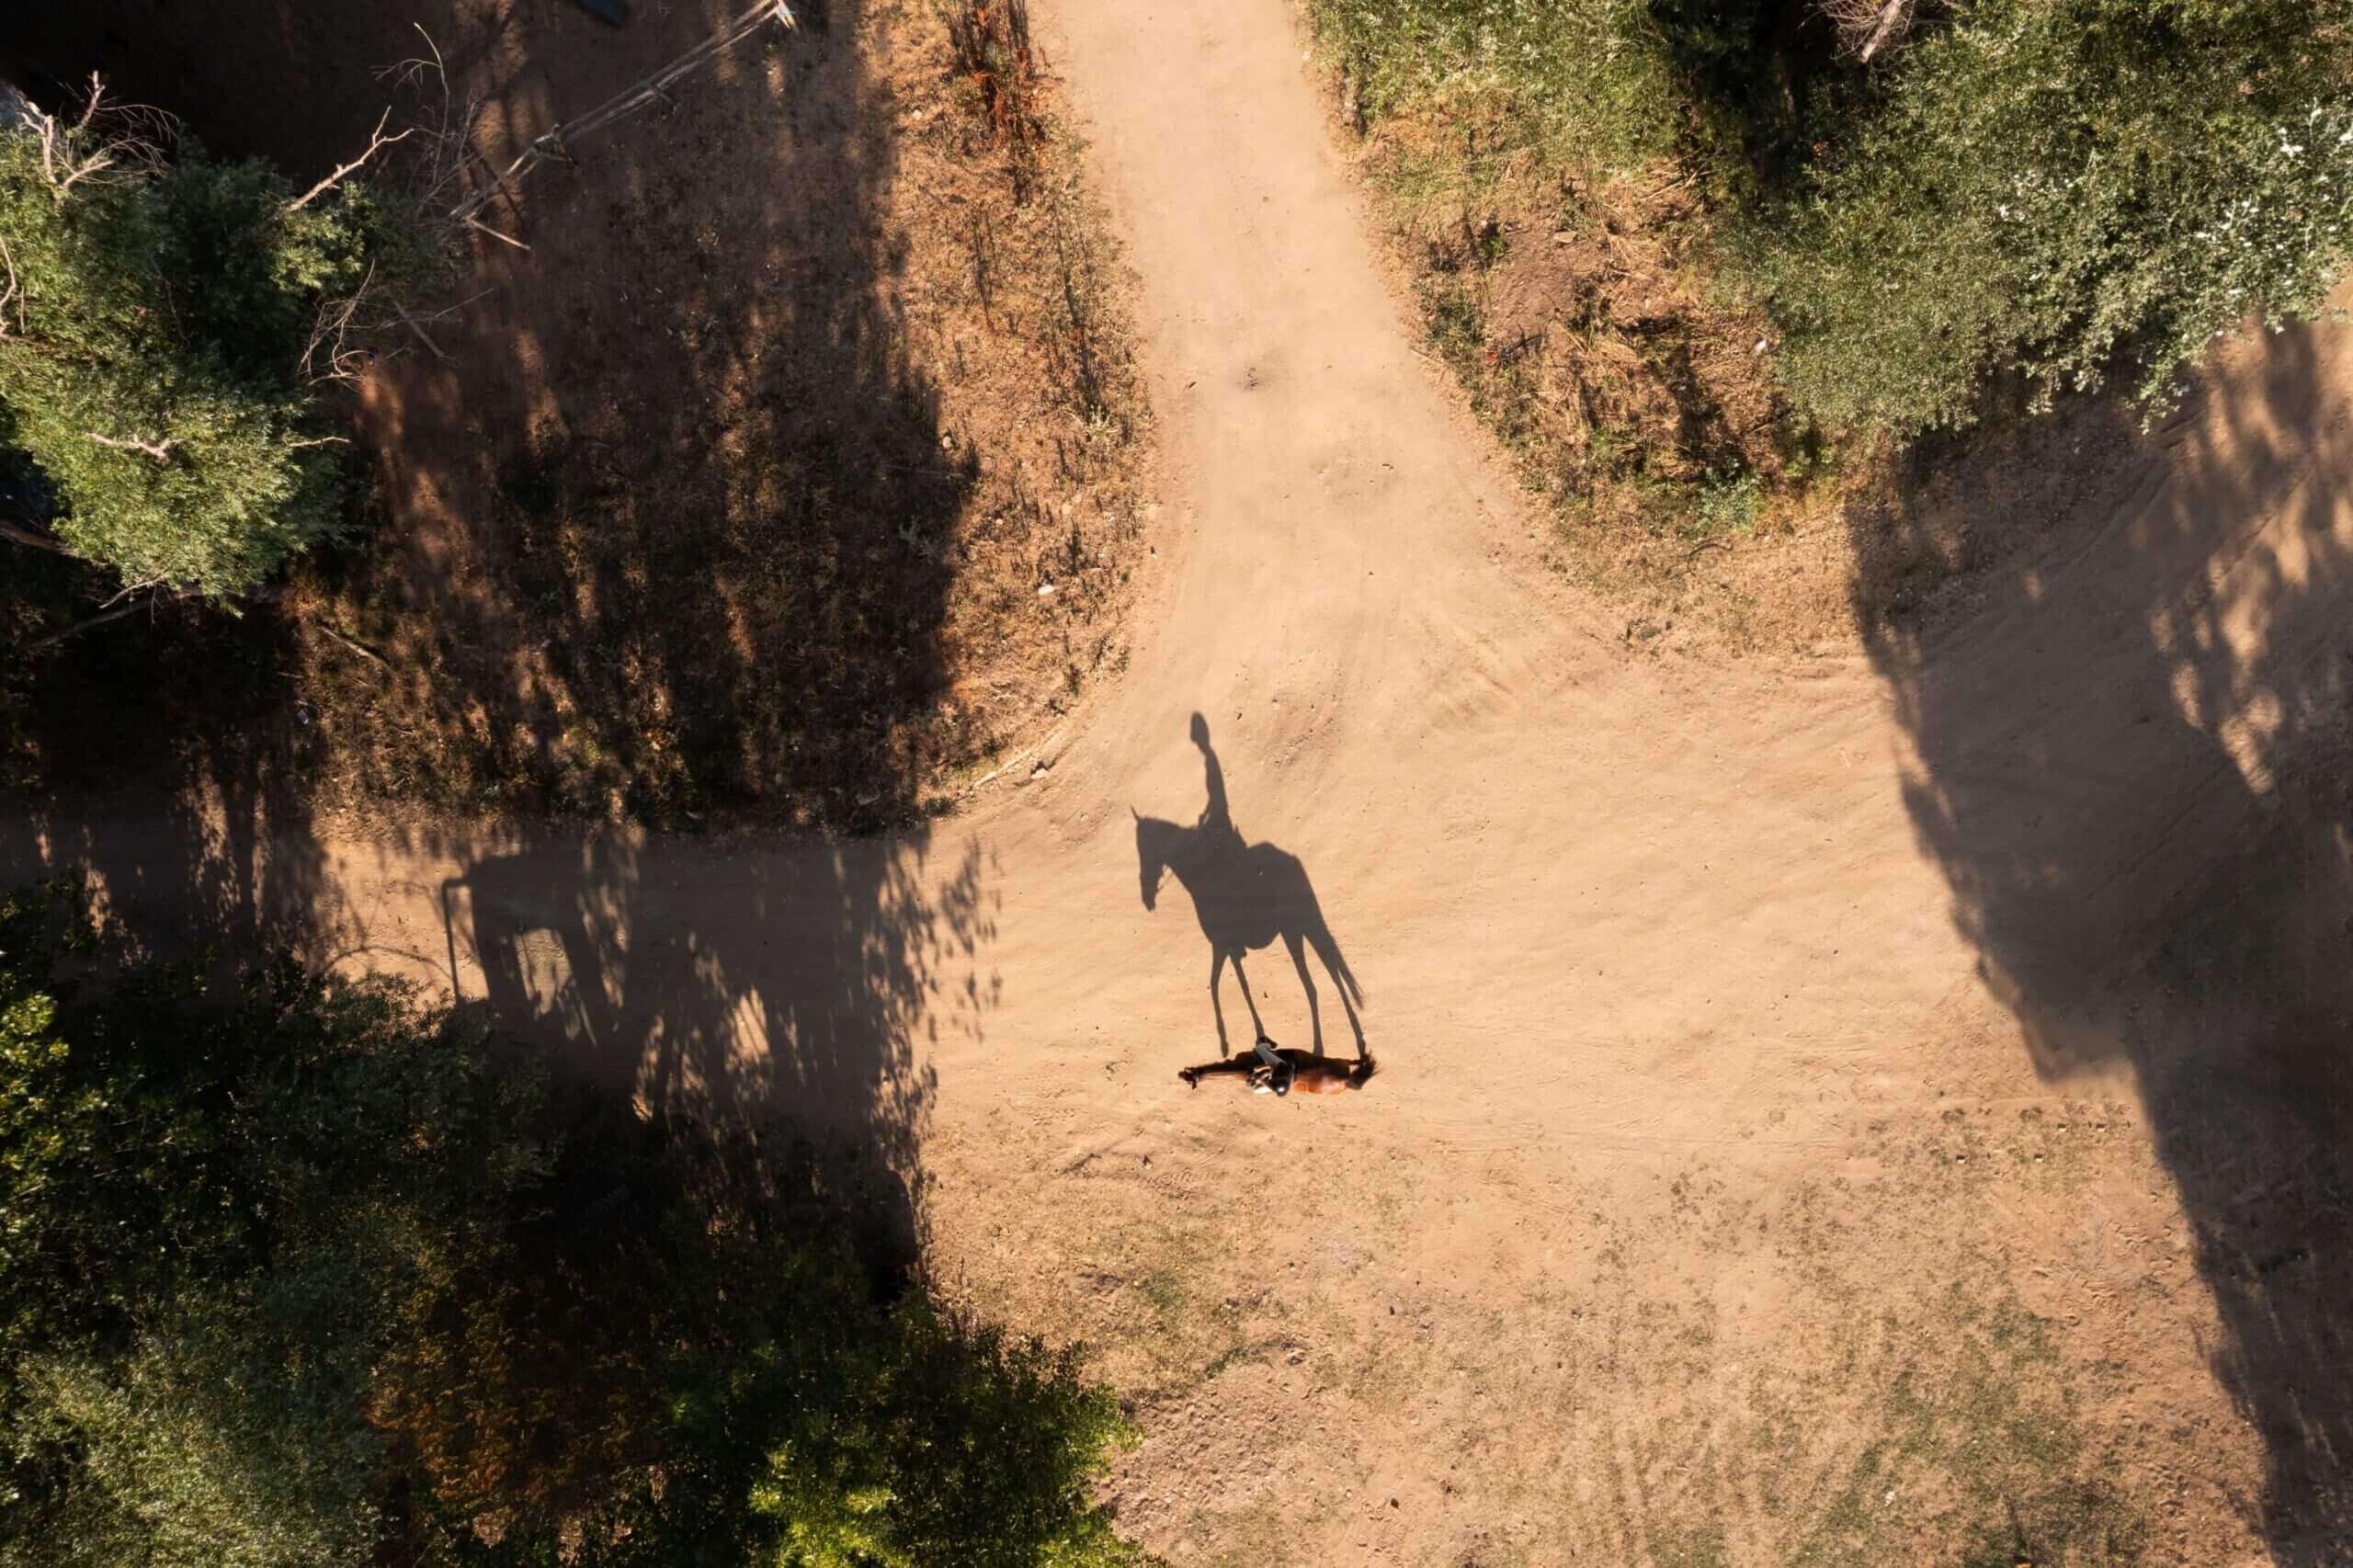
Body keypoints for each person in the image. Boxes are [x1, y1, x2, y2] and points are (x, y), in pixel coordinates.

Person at [1176, 1033, 1376, 1096]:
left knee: (1261, 1051)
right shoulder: (1280, 1075)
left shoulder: (1280, 1072)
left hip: (1288, 1069)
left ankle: (1265, 1044)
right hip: (1289, 1070)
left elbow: (1264, 1069)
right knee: (1257, 1085)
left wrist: (1259, 1070)